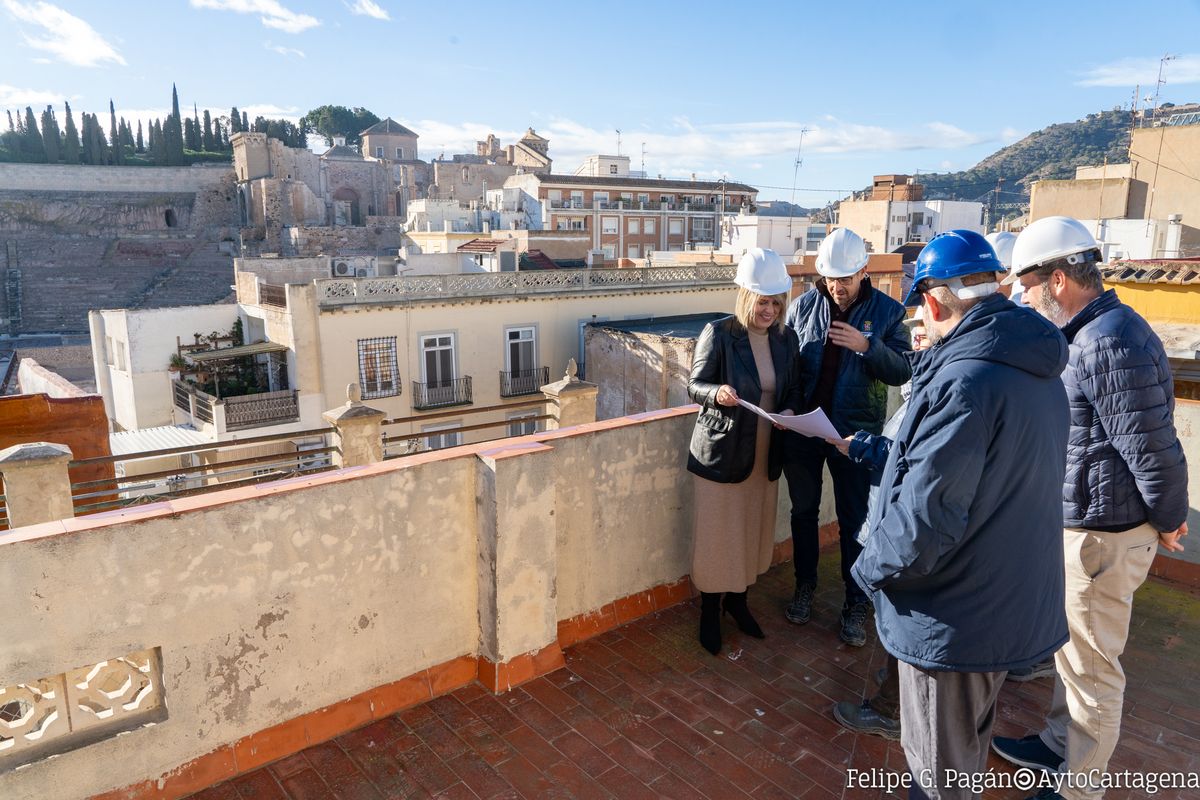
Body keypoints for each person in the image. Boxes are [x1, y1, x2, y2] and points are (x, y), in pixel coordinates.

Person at [852, 230, 1071, 800]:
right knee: (965, 753)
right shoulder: (1034, 368)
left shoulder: (966, 381)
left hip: (953, 617)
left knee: (939, 775)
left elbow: (922, 524)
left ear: (931, 300)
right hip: (1002, 602)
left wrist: (868, 569)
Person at [991, 216, 1189, 800]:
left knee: (1094, 671)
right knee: (1073, 655)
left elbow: (1152, 445)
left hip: (1105, 536)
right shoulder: (1092, 332)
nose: (1022, 298)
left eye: (1025, 286)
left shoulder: (1109, 341)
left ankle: (1078, 789)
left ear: (1056, 280)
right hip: (1087, 525)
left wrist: (1169, 517)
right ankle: (1060, 746)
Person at [782, 227, 911, 646]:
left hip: (855, 436)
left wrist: (867, 346)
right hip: (805, 430)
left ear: (864, 271)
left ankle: (855, 604)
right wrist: (789, 409)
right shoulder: (802, 307)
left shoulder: (889, 313)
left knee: (855, 523)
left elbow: (902, 371)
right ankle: (805, 587)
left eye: (847, 278)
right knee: (803, 513)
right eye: (832, 278)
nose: (839, 287)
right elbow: (788, 366)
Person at [687, 248, 803, 656]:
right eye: (762, 300)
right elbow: (694, 385)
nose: (769, 309)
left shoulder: (787, 339)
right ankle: (708, 610)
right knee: (719, 534)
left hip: (764, 451)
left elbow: (792, 389)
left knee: (751, 530)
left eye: (775, 302)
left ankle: (738, 603)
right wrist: (716, 392)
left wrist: (789, 409)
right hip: (723, 452)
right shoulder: (719, 333)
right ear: (745, 297)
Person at [830, 308, 928, 741]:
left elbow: (915, 458)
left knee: (906, 615)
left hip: (910, 526)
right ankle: (895, 705)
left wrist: (863, 445)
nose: (918, 339)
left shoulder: (947, 381)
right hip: (909, 520)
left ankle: (893, 712)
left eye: (925, 331)